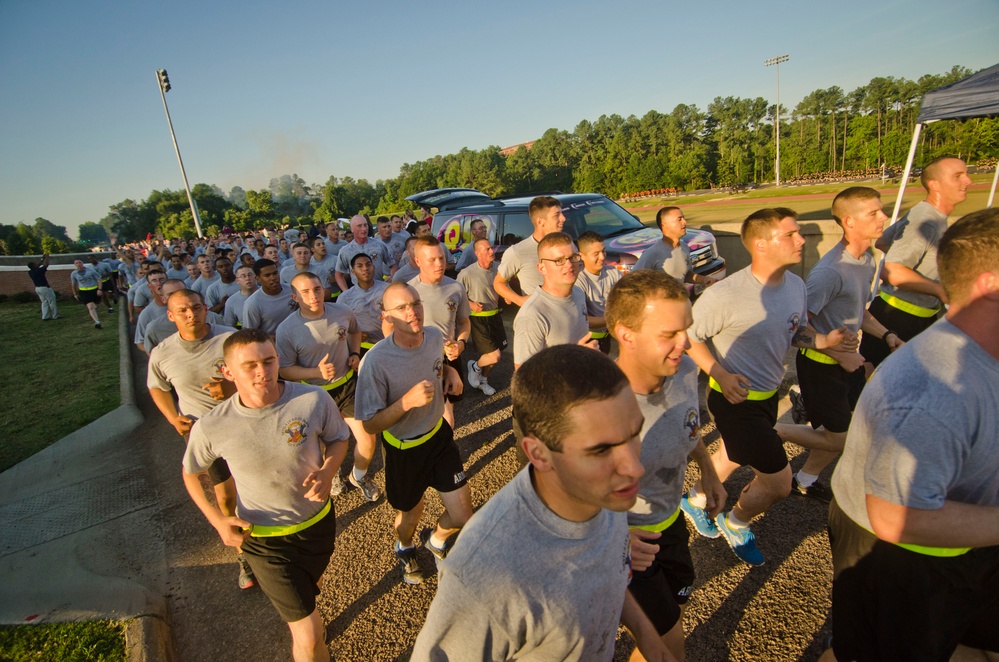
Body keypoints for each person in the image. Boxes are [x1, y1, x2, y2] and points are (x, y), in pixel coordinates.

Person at [411, 345, 671, 662]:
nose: (635, 468)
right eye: (601, 450)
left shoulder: (602, 490)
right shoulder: (484, 578)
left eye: (634, 433)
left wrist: (647, 636)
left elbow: (608, 571)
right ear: (538, 454)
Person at [824, 208, 999, 662]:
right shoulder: (931, 391)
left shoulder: (979, 360)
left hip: (966, 538)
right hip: (904, 556)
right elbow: (896, 516)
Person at [684, 208, 849, 566]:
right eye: (790, 234)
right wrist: (721, 374)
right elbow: (688, 337)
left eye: (799, 233)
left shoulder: (796, 286)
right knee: (778, 484)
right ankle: (736, 521)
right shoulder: (725, 294)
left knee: (736, 451)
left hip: (768, 396)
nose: (801, 240)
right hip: (732, 399)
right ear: (760, 244)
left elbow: (796, 331)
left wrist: (824, 340)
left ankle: (695, 499)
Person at [183, 329, 350, 662]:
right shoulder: (212, 426)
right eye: (250, 366)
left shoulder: (313, 400)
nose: (263, 372)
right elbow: (191, 472)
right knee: (308, 634)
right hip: (264, 540)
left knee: (309, 598)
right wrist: (218, 521)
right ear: (227, 372)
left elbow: (338, 439)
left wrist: (329, 470)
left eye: (269, 360)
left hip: (317, 524)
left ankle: (309, 615)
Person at [608, 270, 726, 661]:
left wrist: (708, 471)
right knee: (670, 647)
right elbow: (552, 500)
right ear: (626, 334)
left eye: (686, 330)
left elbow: (687, 428)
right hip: (626, 547)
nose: (686, 344)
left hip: (670, 524)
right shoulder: (594, 409)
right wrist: (614, 539)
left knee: (675, 614)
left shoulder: (684, 370)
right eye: (669, 335)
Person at [775, 188, 903, 502]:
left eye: (881, 210)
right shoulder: (830, 272)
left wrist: (887, 336)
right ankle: (768, 431)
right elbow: (795, 328)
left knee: (849, 430)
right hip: (820, 365)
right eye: (873, 213)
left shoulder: (867, 261)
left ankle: (804, 478)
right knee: (841, 437)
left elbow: (860, 312)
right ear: (848, 221)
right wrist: (836, 354)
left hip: (849, 361)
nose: (883, 217)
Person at [354, 283, 471, 586]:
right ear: (387, 316)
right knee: (410, 515)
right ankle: (405, 546)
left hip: (438, 436)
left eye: (415, 303)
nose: (412, 312)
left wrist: (451, 372)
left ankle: (436, 540)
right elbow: (368, 425)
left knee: (462, 516)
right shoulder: (376, 362)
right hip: (404, 449)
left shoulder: (432, 335)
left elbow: (439, 364)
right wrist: (406, 403)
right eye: (402, 308)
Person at [147, 289, 247, 587]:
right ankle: (244, 554)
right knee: (225, 494)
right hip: (203, 433)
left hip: (243, 423)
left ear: (206, 309)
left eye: (196, 307)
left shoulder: (230, 339)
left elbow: (258, 375)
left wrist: (230, 390)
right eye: (183, 310)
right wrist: (171, 416)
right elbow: (158, 387)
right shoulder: (162, 353)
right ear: (170, 315)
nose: (191, 314)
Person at [276, 273, 382, 502]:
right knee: (323, 445)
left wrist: (354, 353)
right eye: (305, 292)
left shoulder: (342, 311)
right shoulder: (287, 329)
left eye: (316, 289)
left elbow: (355, 331)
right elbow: (284, 370)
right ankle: (332, 474)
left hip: (347, 386)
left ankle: (359, 476)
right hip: (312, 394)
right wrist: (315, 372)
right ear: (294, 296)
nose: (313, 296)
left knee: (368, 439)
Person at [859, 156, 972, 367]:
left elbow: (883, 241)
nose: (968, 181)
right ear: (934, 185)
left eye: (966, 174)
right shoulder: (925, 221)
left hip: (914, 316)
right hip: (900, 317)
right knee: (873, 381)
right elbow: (891, 271)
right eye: (958, 176)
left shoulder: (925, 214)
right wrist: (940, 290)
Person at [408, 236, 471, 427]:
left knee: (448, 411)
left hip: (449, 358)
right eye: (432, 260)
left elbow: (464, 323)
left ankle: (442, 451)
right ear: (418, 261)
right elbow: (392, 330)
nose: (439, 264)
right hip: (418, 360)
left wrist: (461, 344)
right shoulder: (409, 291)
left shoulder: (455, 287)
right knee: (435, 415)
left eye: (442, 258)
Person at [512, 232, 594, 370]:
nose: (569, 264)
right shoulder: (532, 316)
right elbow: (525, 377)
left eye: (573, 257)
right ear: (541, 268)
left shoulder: (579, 294)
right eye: (559, 260)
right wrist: (578, 357)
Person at [494, 195, 567, 307]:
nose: (563, 218)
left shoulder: (566, 245)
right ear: (540, 222)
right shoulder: (518, 251)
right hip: (540, 318)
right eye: (557, 215)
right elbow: (498, 283)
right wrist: (519, 300)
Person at [457, 238, 507, 396]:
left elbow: (504, 285)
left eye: (492, 248)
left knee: (495, 353)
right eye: (487, 249)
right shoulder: (467, 273)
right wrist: (470, 304)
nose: (492, 251)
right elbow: (456, 293)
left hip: (495, 316)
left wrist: (507, 296)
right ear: (477, 253)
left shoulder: (499, 268)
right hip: (478, 319)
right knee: (495, 355)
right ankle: (475, 367)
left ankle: (483, 381)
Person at [634, 207, 716, 287]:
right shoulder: (652, 253)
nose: (684, 222)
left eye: (683, 218)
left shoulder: (684, 247)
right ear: (664, 225)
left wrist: (703, 279)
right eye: (679, 219)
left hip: (682, 299)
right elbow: (633, 282)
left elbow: (685, 275)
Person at [575, 231, 622, 354]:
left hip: (610, 335)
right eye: (596, 254)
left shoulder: (613, 272)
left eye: (604, 251)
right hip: (589, 341)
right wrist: (613, 319)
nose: (602, 257)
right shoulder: (578, 280)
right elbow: (581, 319)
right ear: (581, 256)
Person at [336, 253, 389, 353]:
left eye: (368, 265)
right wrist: (351, 334)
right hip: (361, 348)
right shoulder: (345, 297)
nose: (365, 268)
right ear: (353, 271)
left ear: (373, 267)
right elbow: (338, 325)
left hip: (388, 344)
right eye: (360, 266)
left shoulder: (388, 289)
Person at [334, 215, 395, 291]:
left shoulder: (379, 245)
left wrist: (393, 276)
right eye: (359, 226)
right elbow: (338, 274)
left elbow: (392, 265)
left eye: (365, 225)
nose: (364, 229)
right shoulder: (345, 251)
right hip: (358, 293)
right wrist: (346, 291)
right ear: (352, 229)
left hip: (379, 289)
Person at [243, 259, 296, 338]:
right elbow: (250, 333)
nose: (273, 278)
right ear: (257, 278)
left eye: (275, 273)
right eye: (267, 275)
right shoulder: (253, 303)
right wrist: (271, 338)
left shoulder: (293, 290)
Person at [133, 270, 168, 352]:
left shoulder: (181, 305)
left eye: (162, 279)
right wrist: (155, 355)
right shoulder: (147, 314)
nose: (159, 283)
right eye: (154, 281)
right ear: (150, 286)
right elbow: (140, 342)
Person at [70, 258, 104, 328]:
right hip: (84, 291)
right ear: (75, 265)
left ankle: (95, 310)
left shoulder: (91, 271)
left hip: (94, 290)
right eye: (76, 263)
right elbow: (73, 284)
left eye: (80, 262)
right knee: (90, 307)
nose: (78, 264)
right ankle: (97, 322)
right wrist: (75, 294)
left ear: (82, 263)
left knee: (96, 304)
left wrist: (100, 289)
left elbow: (99, 279)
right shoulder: (74, 273)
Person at [223, 264, 258, 329]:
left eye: (250, 275)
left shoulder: (266, 293)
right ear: (237, 281)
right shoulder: (231, 301)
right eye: (243, 276)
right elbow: (229, 327)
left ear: (255, 277)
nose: (247, 278)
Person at [27, 254, 59, 320]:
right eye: (35, 264)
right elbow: (46, 265)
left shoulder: (31, 272)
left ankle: (45, 317)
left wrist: (42, 259)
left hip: (38, 288)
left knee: (44, 302)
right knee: (52, 301)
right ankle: (55, 316)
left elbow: (37, 265)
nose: (37, 264)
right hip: (44, 288)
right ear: (34, 266)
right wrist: (47, 258)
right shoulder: (39, 271)